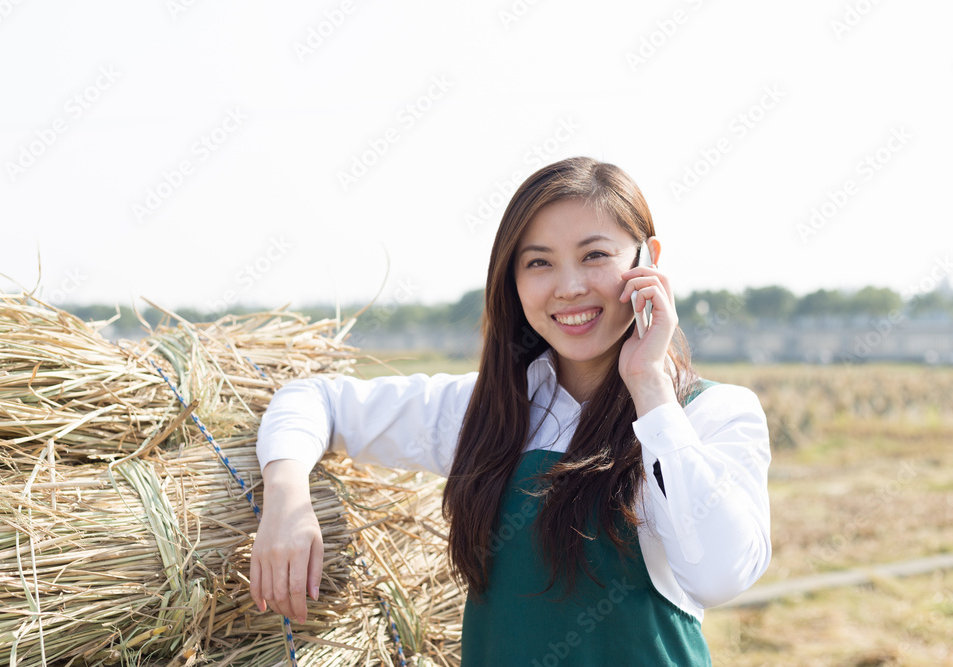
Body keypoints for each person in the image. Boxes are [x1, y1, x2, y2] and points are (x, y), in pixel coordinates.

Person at [250, 156, 772, 666]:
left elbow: (722, 575)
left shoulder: (711, 415)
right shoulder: (485, 411)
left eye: (594, 256)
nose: (568, 287)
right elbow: (314, 399)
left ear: (647, 260)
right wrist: (288, 499)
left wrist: (650, 387)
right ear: (512, 279)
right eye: (539, 262)